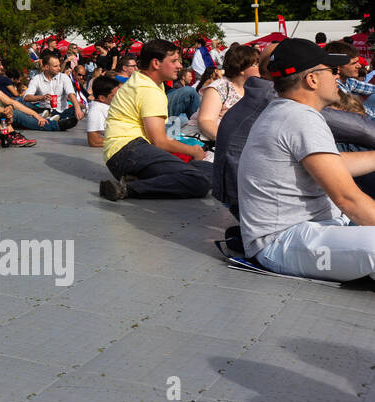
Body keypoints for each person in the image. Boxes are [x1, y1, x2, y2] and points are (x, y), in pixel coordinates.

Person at [237, 38, 375, 281]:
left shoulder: (287, 110)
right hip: (282, 241)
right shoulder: (299, 118)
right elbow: (348, 199)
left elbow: (333, 164)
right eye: (330, 71)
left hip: (299, 234)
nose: (336, 77)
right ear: (311, 79)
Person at [98, 39, 211, 201]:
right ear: (156, 63)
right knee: (199, 182)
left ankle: (144, 179)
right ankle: (126, 189)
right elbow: (159, 142)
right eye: (173, 61)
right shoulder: (148, 89)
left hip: (125, 153)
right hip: (128, 151)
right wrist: (194, 151)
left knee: (210, 171)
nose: (180, 66)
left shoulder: (142, 80)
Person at [195, 44, 260, 140]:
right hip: (213, 141)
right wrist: (229, 142)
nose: (260, 67)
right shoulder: (220, 88)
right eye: (256, 64)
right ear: (242, 69)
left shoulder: (254, 88)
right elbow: (205, 121)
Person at [20, 53, 83, 130]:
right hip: (45, 109)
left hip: (61, 111)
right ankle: (54, 121)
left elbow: (71, 94)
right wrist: (42, 97)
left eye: (59, 65)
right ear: (46, 67)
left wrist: (77, 108)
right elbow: (26, 97)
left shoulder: (64, 77)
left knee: (74, 109)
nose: (59, 68)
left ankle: (48, 119)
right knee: (21, 103)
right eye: (55, 66)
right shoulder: (37, 78)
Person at [83, 76, 118, 149]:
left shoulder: (108, 105)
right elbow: (94, 141)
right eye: (114, 96)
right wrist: (124, 141)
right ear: (102, 98)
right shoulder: (96, 111)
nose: (119, 98)